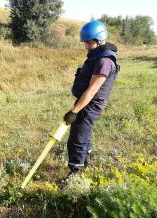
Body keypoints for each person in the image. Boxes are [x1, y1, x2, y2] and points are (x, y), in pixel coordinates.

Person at [63, 20, 120, 178]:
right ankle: (86, 162)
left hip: (91, 105)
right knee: (84, 134)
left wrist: (74, 111)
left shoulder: (104, 61)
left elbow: (92, 89)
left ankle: (75, 174)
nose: (86, 46)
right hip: (86, 102)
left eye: (89, 42)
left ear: (99, 40)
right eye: (86, 42)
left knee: (77, 138)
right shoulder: (98, 56)